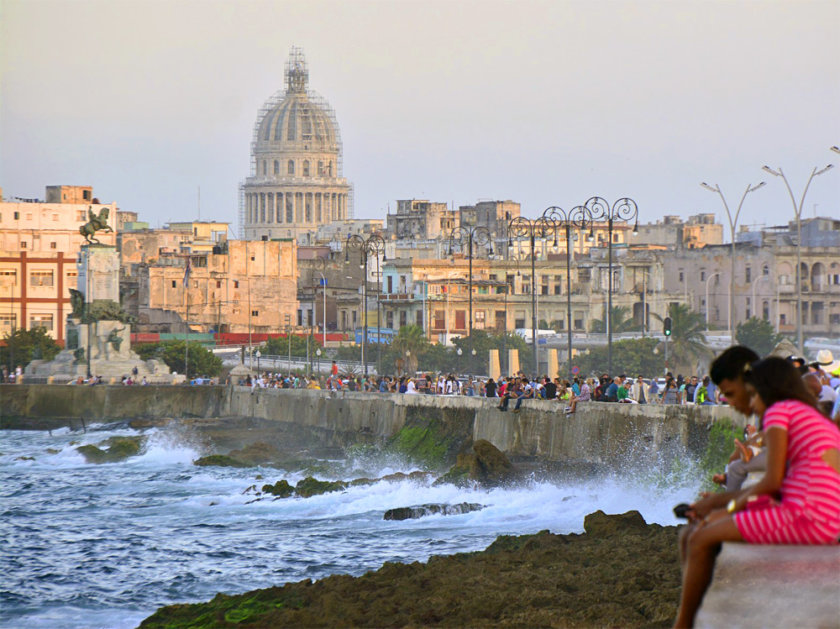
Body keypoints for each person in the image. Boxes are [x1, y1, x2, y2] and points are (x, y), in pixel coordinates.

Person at [674, 355, 840, 628]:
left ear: (767, 391)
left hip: (805, 515)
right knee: (703, 529)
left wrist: (724, 505)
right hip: (823, 513)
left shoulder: (779, 412)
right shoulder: (809, 414)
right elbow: (784, 486)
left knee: (699, 540)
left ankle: (684, 623)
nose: (751, 404)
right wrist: (724, 508)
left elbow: (772, 482)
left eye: (753, 395)